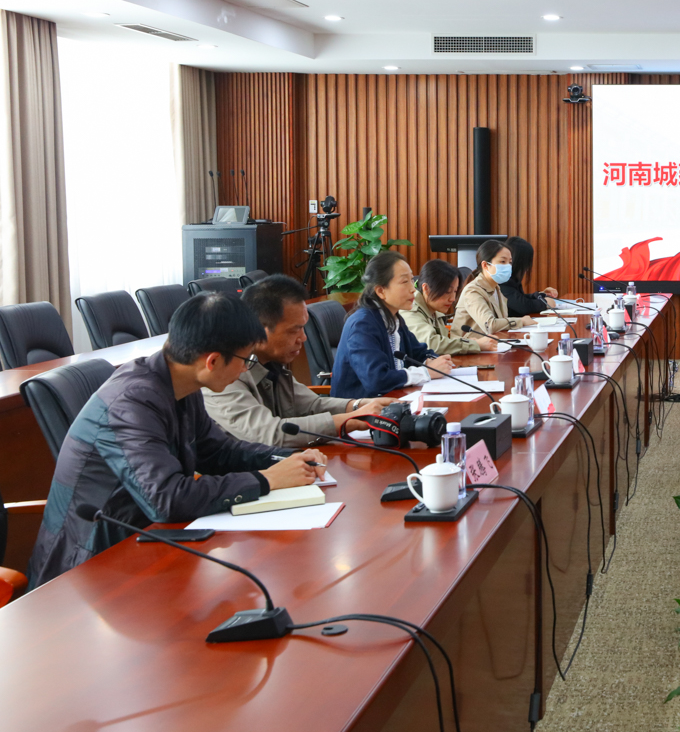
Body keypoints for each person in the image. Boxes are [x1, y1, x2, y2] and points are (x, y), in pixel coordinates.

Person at [27, 293, 327, 587]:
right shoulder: (132, 402)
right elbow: (165, 499)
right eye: (245, 360)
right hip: (91, 570)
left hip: (146, 544)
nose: (244, 370)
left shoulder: (180, 382)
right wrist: (267, 480)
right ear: (212, 361)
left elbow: (218, 451)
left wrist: (283, 459)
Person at [205, 275, 386, 447]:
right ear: (258, 330)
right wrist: (351, 420)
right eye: (294, 330)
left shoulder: (271, 363)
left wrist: (360, 405)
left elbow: (312, 405)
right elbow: (270, 434)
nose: (303, 338)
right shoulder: (224, 371)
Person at [332, 251, 455, 398]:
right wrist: (426, 372)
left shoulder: (393, 318)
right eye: (404, 282)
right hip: (362, 408)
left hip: (394, 400)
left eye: (412, 280)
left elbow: (418, 352)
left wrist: (434, 360)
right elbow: (377, 380)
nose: (413, 289)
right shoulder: (363, 325)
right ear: (381, 291)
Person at [403, 259, 498, 355]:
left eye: (455, 291)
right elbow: (432, 344)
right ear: (426, 289)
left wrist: (468, 341)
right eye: (447, 291)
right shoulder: (410, 309)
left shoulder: (434, 311)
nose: (452, 299)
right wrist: (474, 344)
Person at [454, 238, 536, 334]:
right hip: (471, 343)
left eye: (510, 262)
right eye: (502, 262)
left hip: (495, 341)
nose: (508, 266)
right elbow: (489, 325)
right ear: (485, 265)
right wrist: (521, 321)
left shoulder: (496, 288)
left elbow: (501, 322)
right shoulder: (473, 291)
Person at [498, 236, 559, 317]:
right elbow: (522, 306)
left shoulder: (512, 278)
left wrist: (540, 295)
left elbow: (519, 298)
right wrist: (544, 303)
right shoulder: (501, 279)